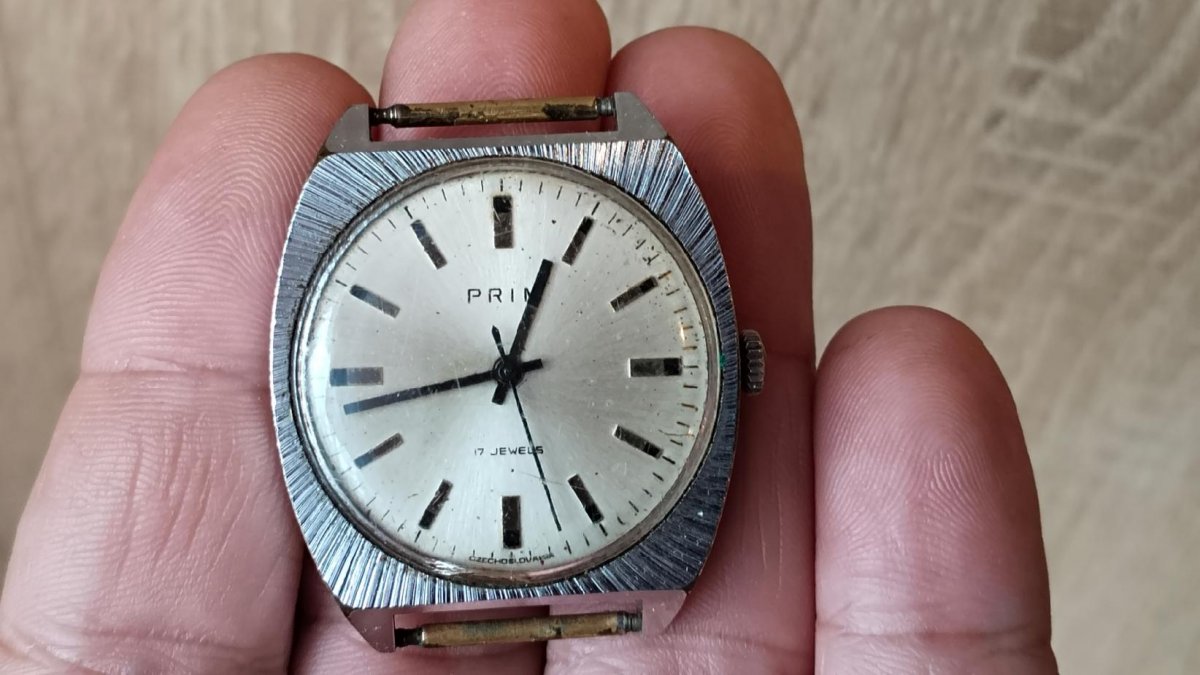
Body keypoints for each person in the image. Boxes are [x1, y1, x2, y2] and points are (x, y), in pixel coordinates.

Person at [0, 1, 1057, 672]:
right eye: (499, 365)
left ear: (729, 363)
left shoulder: (636, 166)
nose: (504, 374)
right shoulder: (382, 591)